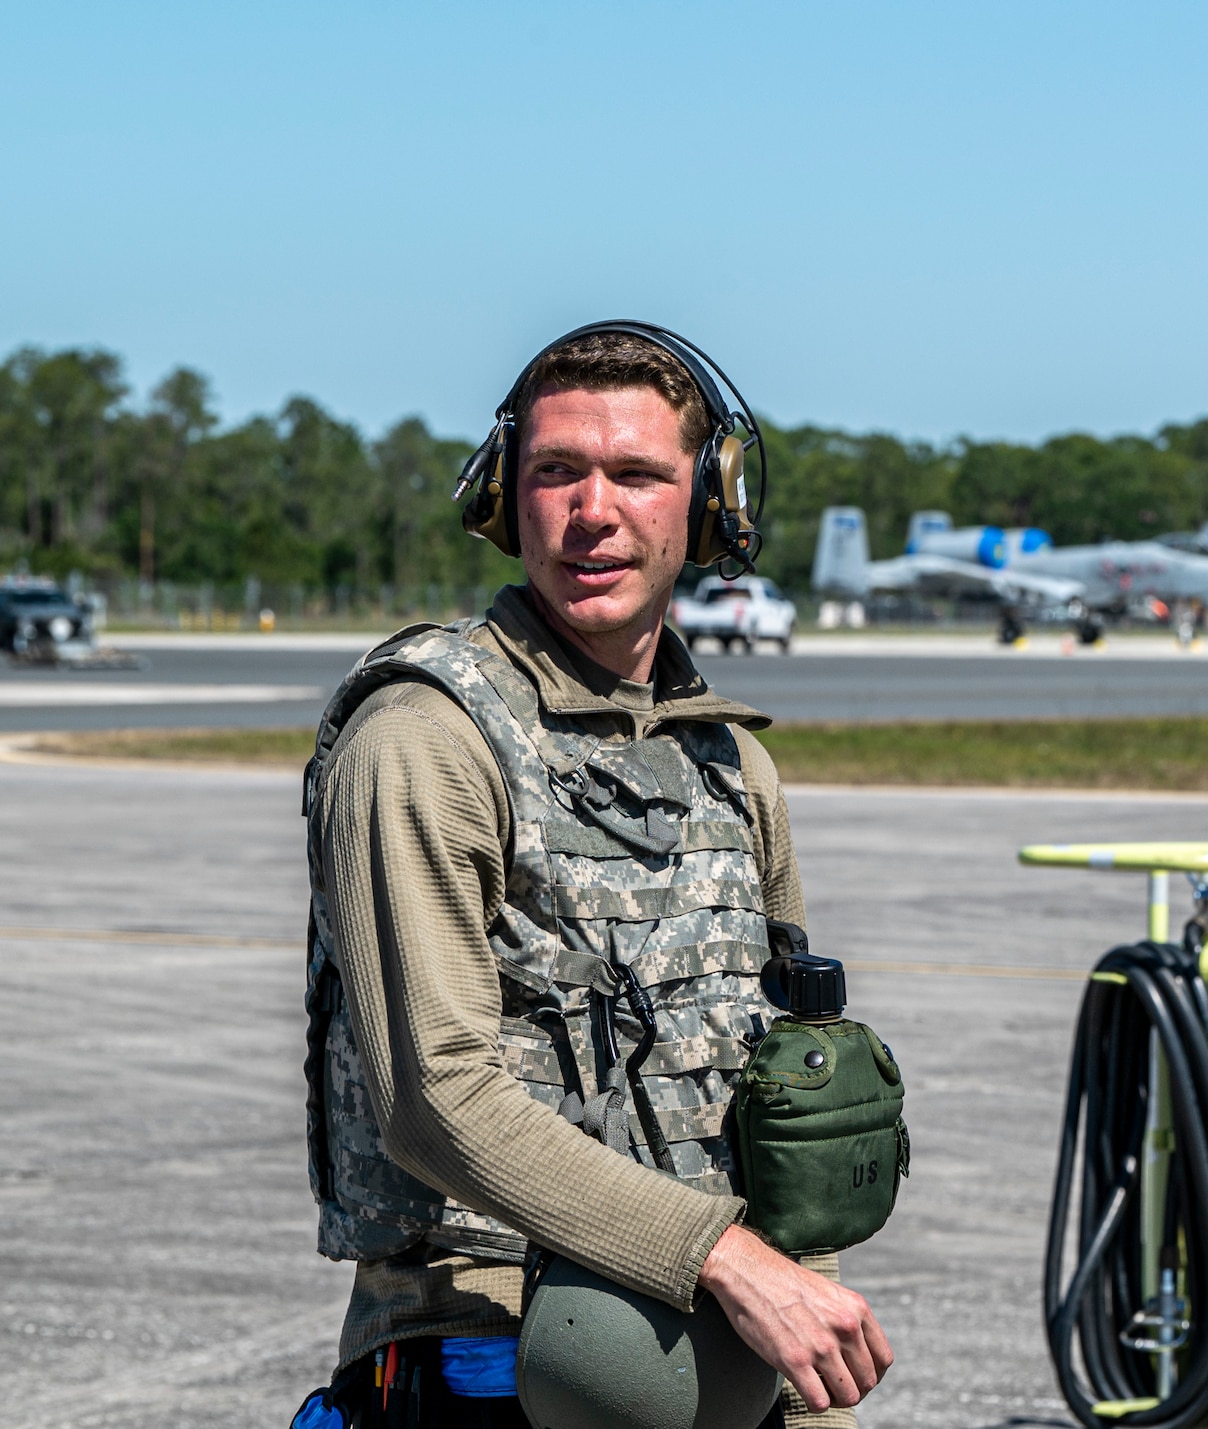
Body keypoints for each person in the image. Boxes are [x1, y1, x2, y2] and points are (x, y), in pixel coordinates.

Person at [298, 324, 890, 1428]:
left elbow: (779, 1100)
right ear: (504, 499)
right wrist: (721, 1257)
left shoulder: (729, 766)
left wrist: (809, 1386)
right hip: (492, 1367)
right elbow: (438, 1100)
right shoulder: (425, 740)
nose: (593, 511)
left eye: (637, 474)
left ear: (706, 506)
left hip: (723, 1373)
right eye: (557, 471)